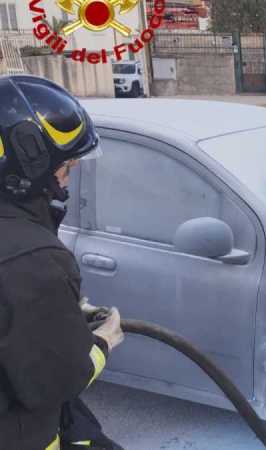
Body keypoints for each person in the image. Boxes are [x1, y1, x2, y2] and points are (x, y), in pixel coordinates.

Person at [0, 75, 125, 450]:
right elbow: (57, 380)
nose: (67, 180)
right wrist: (103, 341)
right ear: (27, 170)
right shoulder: (34, 259)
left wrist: (60, 313)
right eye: (66, 167)